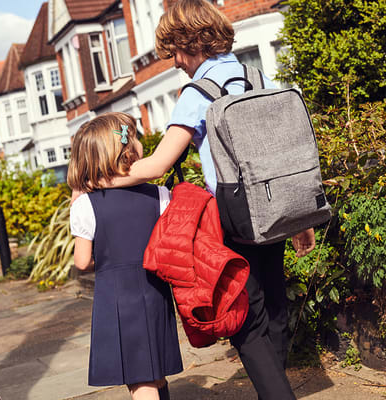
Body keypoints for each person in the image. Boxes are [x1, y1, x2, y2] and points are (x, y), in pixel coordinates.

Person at [71, 1, 315, 398]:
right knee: (274, 311)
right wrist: (300, 219)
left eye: (175, 53)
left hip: (235, 216)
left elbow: (155, 166)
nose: (174, 63)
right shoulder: (257, 76)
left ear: (190, 43)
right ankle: (278, 385)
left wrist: (97, 179)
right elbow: (282, 151)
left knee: (245, 321)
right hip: (276, 207)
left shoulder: (198, 92)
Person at [67, 112, 183, 400]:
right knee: (155, 369)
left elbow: (82, 261)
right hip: (154, 288)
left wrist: (105, 260)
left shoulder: (86, 204)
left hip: (116, 296)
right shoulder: (160, 195)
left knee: (139, 380)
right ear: (129, 150)